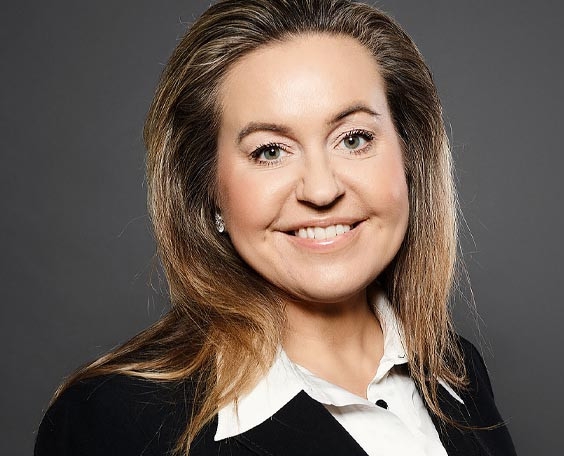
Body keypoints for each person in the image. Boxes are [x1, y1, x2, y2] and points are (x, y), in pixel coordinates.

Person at [35, 1, 517, 455]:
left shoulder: (458, 371)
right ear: (208, 190)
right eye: (270, 151)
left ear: (410, 157)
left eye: (354, 139)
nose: (322, 190)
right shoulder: (114, 423)